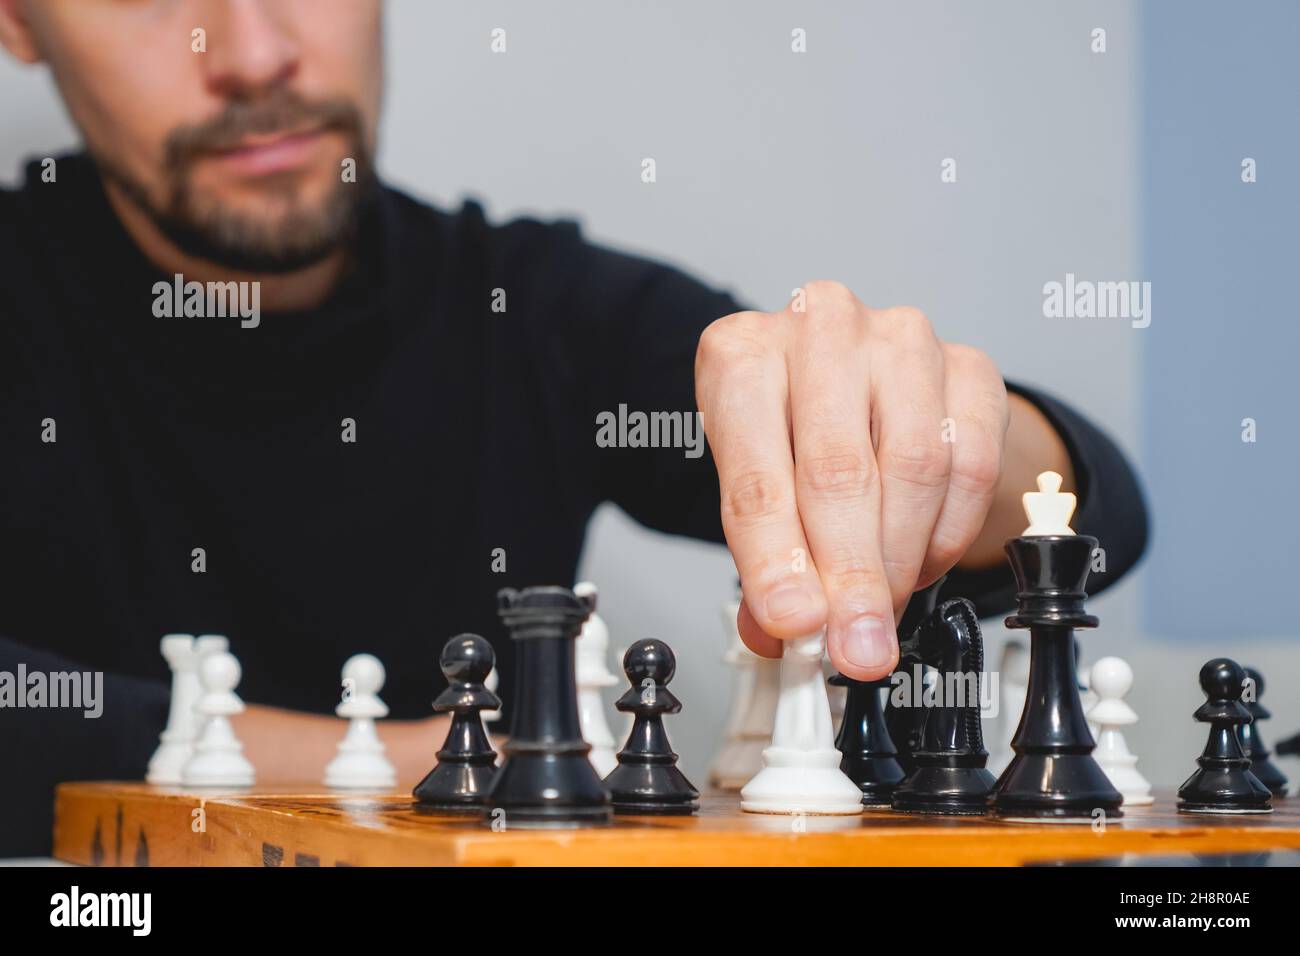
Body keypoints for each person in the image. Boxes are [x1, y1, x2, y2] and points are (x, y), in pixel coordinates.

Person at [0, 0, 1146, 855]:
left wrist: (958, 440)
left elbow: (1105, 508)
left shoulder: (534, 311)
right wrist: (432, 767)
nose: (250, 53)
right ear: (21, 22)